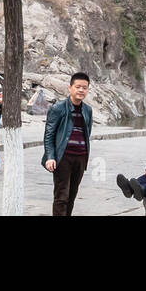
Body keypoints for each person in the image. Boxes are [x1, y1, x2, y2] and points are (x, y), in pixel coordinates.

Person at [43, 72, 93, 216]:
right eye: (78, 87)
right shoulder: (58, 108)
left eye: (84, 88)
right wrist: (50, 157)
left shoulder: (88, 110)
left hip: (81, 158)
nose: (81, 90)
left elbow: (87, 133)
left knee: (71, 196)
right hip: (63, 157)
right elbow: (49, 135)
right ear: (70, 88)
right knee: (61, 196)